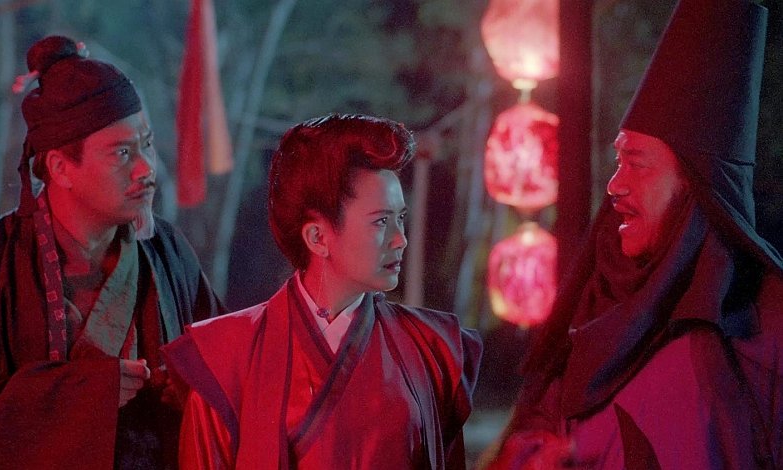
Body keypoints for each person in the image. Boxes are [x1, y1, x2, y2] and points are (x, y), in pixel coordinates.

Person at [487, 0, 783, 468]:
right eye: (617, 161)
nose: (615, 185)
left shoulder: (768, 328)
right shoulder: (597, 300)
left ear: (696, 186)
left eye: (638, 164)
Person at [0, 36, 222, 469]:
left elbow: (224, 371)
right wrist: (81, 395)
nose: (146, 168)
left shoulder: (167, 254)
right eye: (122, 153)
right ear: (61, 168)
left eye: (147, 145)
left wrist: (189, 388)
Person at [162, 113, 482, 469]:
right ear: (317, 237)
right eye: (381, 221)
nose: (400, 239)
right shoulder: (227, 358)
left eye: (400, 218)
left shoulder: (430, 348)